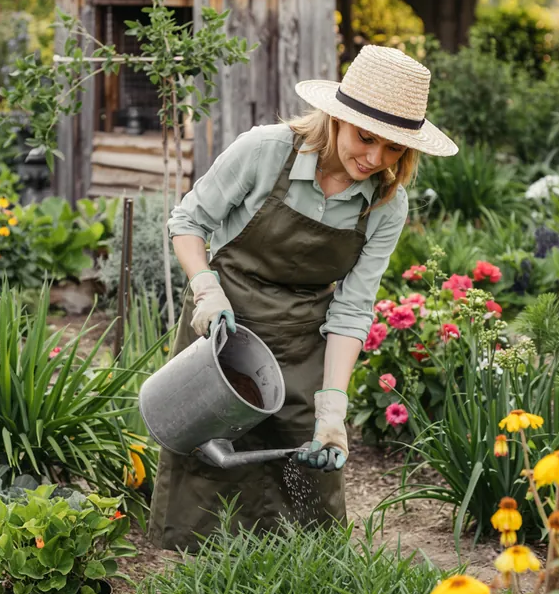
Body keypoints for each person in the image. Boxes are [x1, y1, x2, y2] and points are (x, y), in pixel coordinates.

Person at [149, 45, 457, 551]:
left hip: (302, 341)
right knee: (207, 471)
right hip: (223, 328)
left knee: (306, 475)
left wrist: (332, 407)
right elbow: (189, 221)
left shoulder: (386, 203)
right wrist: (205, 288)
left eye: (394, 148)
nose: (375, 159)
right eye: (366, 137)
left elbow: (353, 308)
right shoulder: (266, 151)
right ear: (337, 118)